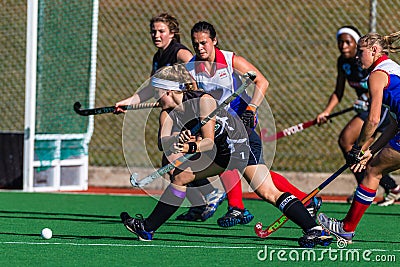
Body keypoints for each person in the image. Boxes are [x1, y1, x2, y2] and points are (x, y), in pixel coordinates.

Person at [120, 64, 333, 248]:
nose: (155, 98)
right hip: (222, 150)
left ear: (169, 91)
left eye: (157, 92)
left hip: (241, 143)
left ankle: (314, 228)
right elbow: (163, 142)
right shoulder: (167, 112)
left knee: (267, 191)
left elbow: (208, 141)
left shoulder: (203, 101)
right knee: (181, 177)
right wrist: (178, 140)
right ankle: (147, 228)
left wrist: (190, 147)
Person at [186, 21, 321, 226]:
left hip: (241, 120)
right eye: (196, 44)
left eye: (204, 43)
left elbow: (262, 81)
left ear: (215, 41)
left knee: (247, 170)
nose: (200, 48)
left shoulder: (231, 61)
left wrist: (252, 108)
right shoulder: (192, 68)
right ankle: (304, 199)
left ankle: (237, 208)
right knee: (253, 171)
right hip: (218, 125)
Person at [115, 13, 226, 221]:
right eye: (153, 31)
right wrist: (128, 103)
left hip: (185, 109)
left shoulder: (179, 52)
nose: (156, 35)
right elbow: (150, 87)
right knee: (166, 152)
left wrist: (185, 92)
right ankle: (200, 202)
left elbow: (196, 72)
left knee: (176, 155)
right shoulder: (158, 57)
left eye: (161, 31)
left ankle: (211, 194)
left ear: (172, 33)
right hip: (170, 109)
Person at [318, 31, 400, 243]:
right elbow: (393, 124)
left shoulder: (377, 75)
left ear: (373, 51)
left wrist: (357, 149)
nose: (357, 56)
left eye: (361, 52)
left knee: (373, 171)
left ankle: (346, 228)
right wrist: (370, 150)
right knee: (374, 166)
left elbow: (373, 121)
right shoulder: (393, 69)